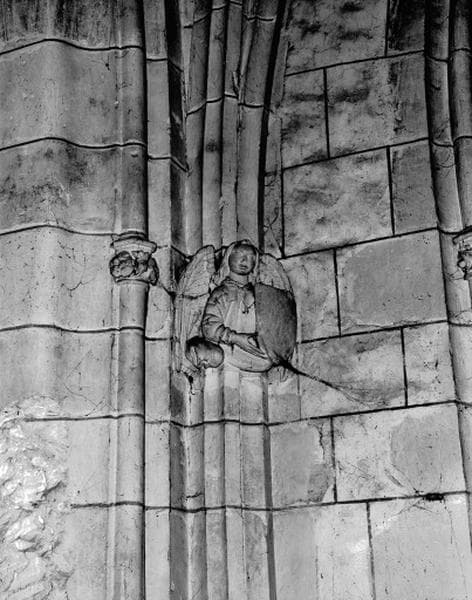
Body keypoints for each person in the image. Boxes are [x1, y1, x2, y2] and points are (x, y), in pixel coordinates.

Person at [200, 241, 273, 372]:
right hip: (228, 348)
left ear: (255, 263)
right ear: (228, 258)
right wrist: (236, 338)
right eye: (239, 254)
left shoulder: (259, 295)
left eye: (251, 257)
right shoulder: (221, 293)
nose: (245, 260)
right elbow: (209, 327)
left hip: (255, 351)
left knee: (267, 361)